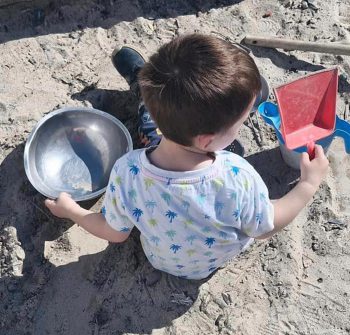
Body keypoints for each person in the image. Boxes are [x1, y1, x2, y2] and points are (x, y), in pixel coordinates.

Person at [45, 34, 329, 279]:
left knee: (157, 128)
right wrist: (307, 185)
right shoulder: (236, 175)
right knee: (230, 145)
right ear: (206, 140)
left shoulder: (127, 171)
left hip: (160, 259)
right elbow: (265, 227)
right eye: (241, 122)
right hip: (212, 262)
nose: (242, 125)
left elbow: (116, 232)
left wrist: (72, 210)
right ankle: (155, 96)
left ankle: (146, 93)